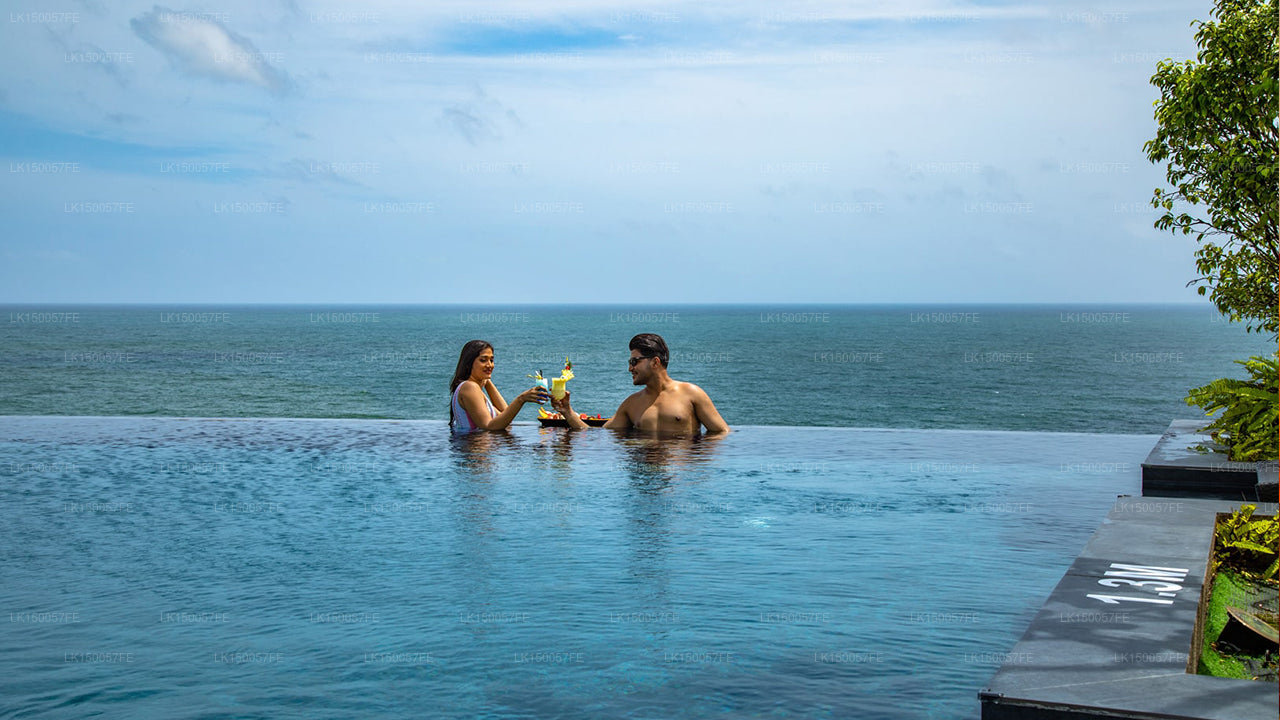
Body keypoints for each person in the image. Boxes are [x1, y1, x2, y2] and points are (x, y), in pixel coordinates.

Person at [552, 333, 729, 435]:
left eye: (634, 361)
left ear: (655, 362)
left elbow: (722, 433)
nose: (630, 368)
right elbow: (599, 436)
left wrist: (697, 461)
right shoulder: (631, 404)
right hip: (642, 476)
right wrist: (567, 412)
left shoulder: (691, 394)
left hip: (679, 479)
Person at [449, 340, 549, 432]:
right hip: (475, 446)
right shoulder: (470, 387)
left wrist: (487, 382)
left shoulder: (473, 388)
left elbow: (505, 418)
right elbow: (489, 426)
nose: (489, 365)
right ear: (469, 363)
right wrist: (521, 399)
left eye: (491, 360)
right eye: (483, 360)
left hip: (481, 445)